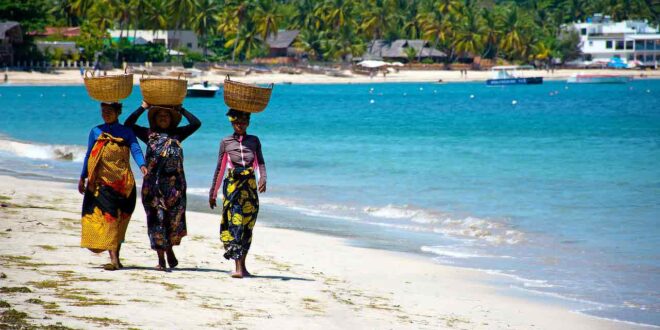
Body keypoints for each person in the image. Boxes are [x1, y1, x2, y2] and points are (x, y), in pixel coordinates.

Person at [124, 101, 201, 271]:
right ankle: (161, 259)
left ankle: (169, 249)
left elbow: (196, 123)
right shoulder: (148, 133)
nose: (163, 118)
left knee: (172, 222)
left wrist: (181, 109)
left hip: (175, 188)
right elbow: (128, 124)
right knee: (156, 221)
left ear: (172, 120)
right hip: (153, 187)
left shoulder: (178, 134)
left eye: (167, 116)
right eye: (160, 116)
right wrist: (143, 107)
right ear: (155, 119)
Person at [79, 102, 147, 271]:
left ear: (118, 112)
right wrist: (82, 176)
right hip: (102, 184)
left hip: (124, 184)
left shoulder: (126, 132)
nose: (106, 114)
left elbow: (136, 150)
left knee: (120, 221)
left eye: (109, 111)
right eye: (103, 111)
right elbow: (89, 155)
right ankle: (114, 259)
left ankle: (116, 256)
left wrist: (143, 166)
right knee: (109, 219)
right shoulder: (96, 131)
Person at [209, 109, 267, 278]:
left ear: (248, 123)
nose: (240, 125)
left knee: (248, 227)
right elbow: (220, 168)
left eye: (243, 122)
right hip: (233, 188)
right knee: (235, 224)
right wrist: (213, 193)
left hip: (249, 189)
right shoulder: (226, 141)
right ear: (232, 123)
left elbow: (260, 162)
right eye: (236, 122)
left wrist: (263, 177)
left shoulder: (254, 141)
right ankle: (238, 268)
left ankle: (243, 265)